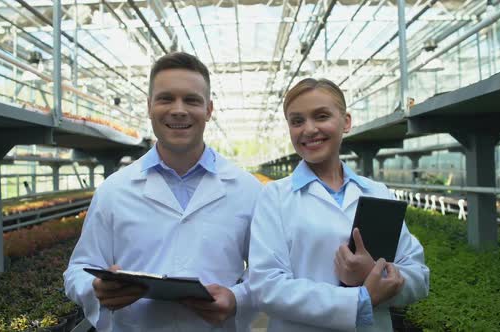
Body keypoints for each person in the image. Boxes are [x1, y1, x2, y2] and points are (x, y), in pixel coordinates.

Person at [64, 52, 262, 332]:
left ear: (208, 110)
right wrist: (95, 288)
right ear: (149, 106)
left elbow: (267, 271)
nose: (178, 109)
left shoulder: (247, 189)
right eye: (166, 98)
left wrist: (237, 298)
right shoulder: (114, 189)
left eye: (192, 100)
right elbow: (79, 268)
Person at [249, 78, 429, 331]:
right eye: (297, 121)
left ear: (346, 122)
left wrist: (374, 273)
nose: (309, 129)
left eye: (321, 116)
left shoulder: (377, 193)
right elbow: (265, 287)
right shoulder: (275, 196)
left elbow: (419, 276)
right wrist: (360, 299)